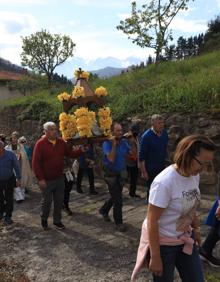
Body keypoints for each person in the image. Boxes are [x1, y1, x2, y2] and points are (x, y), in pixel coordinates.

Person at [131, 135, 216, 282]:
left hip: (185, 239)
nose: (203, 169)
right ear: (187, 156)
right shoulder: (164, 183)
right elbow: (152, 221)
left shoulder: (193, 175)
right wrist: (156, 257)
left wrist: (195, 229)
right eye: (202, 163)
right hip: (164, 245)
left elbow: (190, 206)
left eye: (208, 164)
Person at [32, 122, 85, 231]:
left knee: (59, 200)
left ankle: (57, 221)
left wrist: (80, 151)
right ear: (45, 132)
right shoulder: (40, 144)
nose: (54, 131)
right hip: (46, 180)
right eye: (51, 129)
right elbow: (35, 163)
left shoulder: (61, 142)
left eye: (55, 129)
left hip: (59, 178)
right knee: (47, 201)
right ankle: (44, 219)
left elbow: (70, 153)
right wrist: (40, 179)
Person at [99, 123, 131, 232]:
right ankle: (119, 223)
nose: (120, 133)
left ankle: (104, 210)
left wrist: (132, 140)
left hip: (121, 173)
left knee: (115, 196)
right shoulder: (106, 143)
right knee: (118, 200)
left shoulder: (123, 141)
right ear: (112, 132)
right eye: (118, 131)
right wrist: (114, 145)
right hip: (110, 175)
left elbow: (132, 154)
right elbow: (111, 159)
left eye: (121, 130)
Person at [139, 114, 169, 199]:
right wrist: (144, 172)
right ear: (152, 124)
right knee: (152, 190)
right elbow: (141, 156)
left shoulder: (164, 133)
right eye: (159, 123)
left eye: (162, 123)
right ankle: (151, 208)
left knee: (162, 189)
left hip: (162, 167)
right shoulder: (146, 137)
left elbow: (165, 148)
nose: (161, 125)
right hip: (150, 170)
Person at [6, 133, 33, 201]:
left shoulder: (21, 147)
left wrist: (20, 157)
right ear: (11, 141)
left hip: (21, 166)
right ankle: (19, 197)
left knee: (22, 180)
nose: (14, 140)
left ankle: (22, 195)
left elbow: (25, 157)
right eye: (13, 139)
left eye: (15, 139)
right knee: (15, 181)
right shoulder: (7, 148)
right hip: (11, 168)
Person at [0, 140, 21, 224]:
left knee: (9, 198)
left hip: (9, 179)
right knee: (0, 198)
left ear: (3, 147)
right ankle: (1, 213)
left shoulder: (10, 154)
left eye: (0, 148)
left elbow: (16, 166)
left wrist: (18, 178)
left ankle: (8, 216)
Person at [124, 123, 141, 198]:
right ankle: (117, 192)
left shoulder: (136, 137)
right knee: (124, 178)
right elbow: (125, 150)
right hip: (128, 162)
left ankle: (132, 192)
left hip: (135, 161)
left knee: (134, 178)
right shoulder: (127, 137)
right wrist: (132, 156)